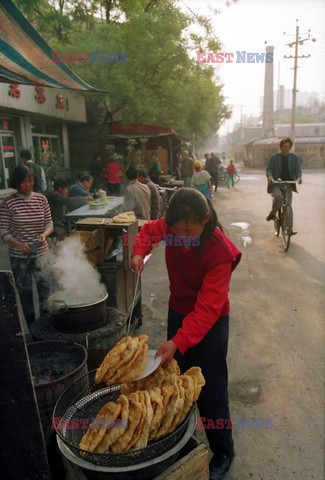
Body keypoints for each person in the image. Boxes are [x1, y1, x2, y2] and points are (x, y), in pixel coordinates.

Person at [131, 188, 241, 480]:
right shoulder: (171, 227)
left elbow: (207, 310)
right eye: (176, 231)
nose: (182, 237)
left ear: (206, 219)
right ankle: (179, 438)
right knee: (174, 381)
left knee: (211, 390)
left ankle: (223, 451)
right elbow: (145, 234)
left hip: (211, 323)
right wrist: (139, 253)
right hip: (177, 311)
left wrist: (178, 341)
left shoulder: (219, 251)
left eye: (189, 230)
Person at [0, 165, 53, 328]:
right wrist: (19, 244)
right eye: (24, 182)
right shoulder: (8, 203)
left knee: (45, 292)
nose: (28, 185)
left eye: (30, 181)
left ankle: (46, 328)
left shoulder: (41, 199)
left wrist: (45, 234)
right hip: (19, 256)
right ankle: (32, 329)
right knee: (26, 294)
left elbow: (49, 223)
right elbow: (3, 230)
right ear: (17, 182)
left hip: (41, 253)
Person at [266, 137, 302, 223]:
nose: (286, 148)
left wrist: (299, 177)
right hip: (276, 184)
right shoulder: (274, 158)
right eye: (284, 146)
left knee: (288, 205)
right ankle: (273, 213)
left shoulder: (294, 158)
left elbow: (297, 169)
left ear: (290, 147)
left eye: (288, 146)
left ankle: (289, 227)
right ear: (281, 147)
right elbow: (269, 169)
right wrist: (270, 176)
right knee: (278, 197)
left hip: (288, 184)